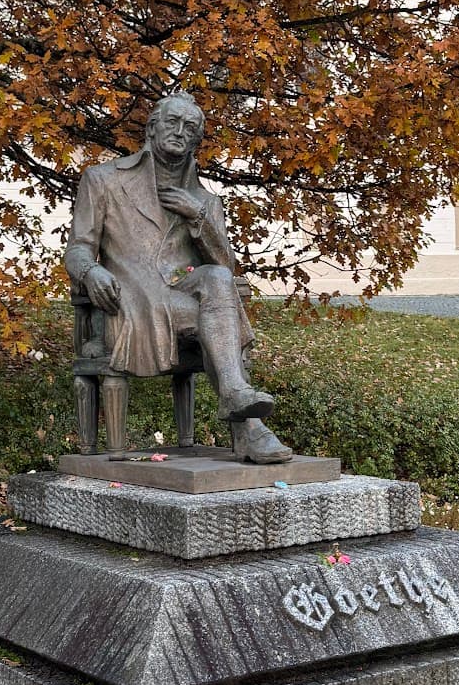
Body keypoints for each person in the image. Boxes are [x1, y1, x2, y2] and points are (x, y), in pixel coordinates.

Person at [64, 93, 292, 463]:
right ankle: (250, 430)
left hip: (185, 298)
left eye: (190, 128)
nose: (180, 132)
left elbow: (224, 266)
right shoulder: (104, 180)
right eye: (172, 122)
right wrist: (91, 272)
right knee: (223, 322)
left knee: (218, 279)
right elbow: (77, 248)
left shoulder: (204, 199)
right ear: (152, 127)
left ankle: (235, 392)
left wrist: (197, 216)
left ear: (196, 140)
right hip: (132, 302)